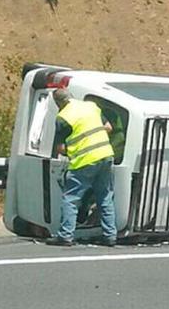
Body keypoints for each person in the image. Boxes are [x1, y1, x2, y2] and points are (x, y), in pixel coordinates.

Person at [46, 89, 117, 247]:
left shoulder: (63, 117)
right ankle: (110, 236)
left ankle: (65, 236)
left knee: (71, 199)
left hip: (84, 161)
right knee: (105, 197)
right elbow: (108, 127)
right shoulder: (91, 107)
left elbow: (60, 148)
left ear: (58, 103)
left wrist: (75, 148)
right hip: (106, 155)